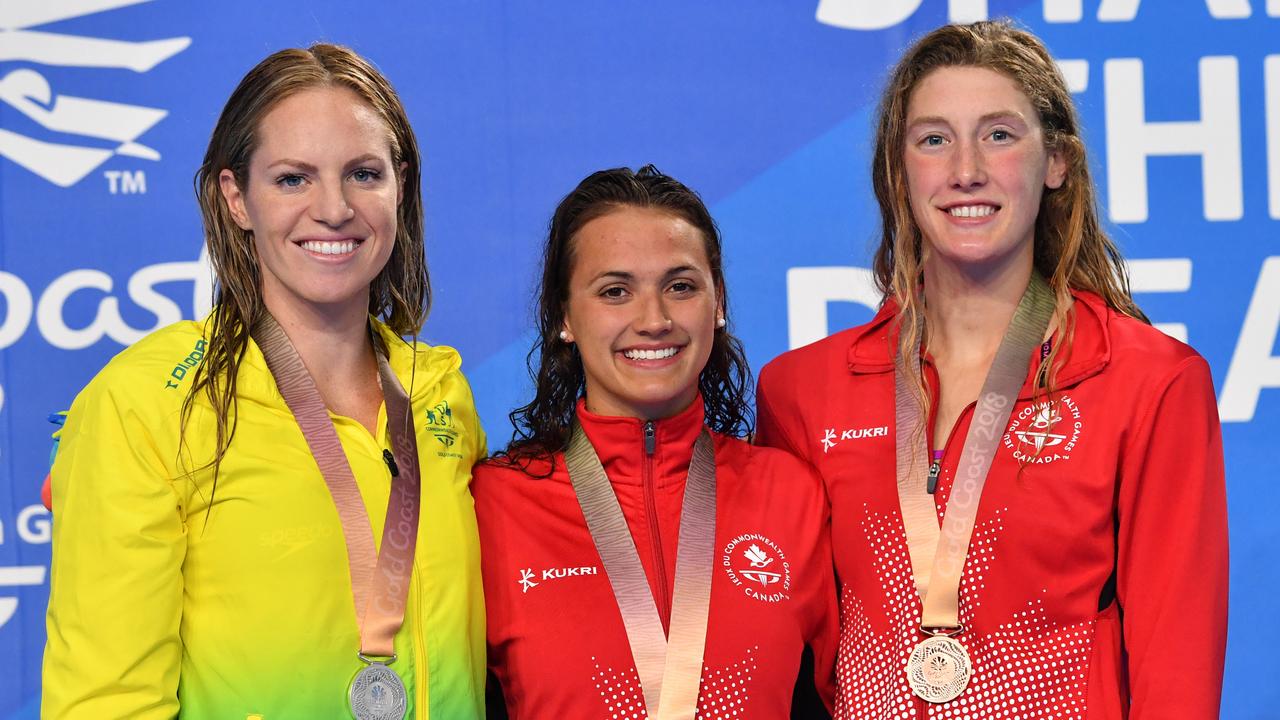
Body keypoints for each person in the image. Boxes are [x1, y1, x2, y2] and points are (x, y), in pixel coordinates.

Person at [756, 21, 1227, 720]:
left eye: (1000, 135)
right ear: (899, 168)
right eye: (934, 139)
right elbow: (782, 662)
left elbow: (1176, 673)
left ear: (1057, 161)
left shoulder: (1148, 382)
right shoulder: (801, 394)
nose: (965, 169)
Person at [42, 45, 486, 719]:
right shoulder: (143, 404)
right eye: (292, 179)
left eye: (363, 173)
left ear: (401, 185)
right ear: (235, 197)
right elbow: (105, 703)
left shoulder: (439, 393)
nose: (334, 209)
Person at [474, 166, 837, 719]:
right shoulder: (494, 504)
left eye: (681, 286)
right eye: (615, 291)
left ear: (718, 304)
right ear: (565, 317)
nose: (654, 319)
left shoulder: (792, 494)